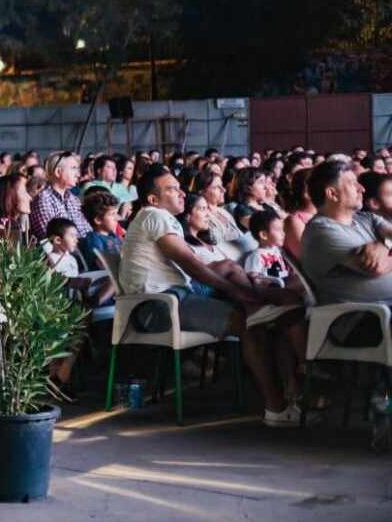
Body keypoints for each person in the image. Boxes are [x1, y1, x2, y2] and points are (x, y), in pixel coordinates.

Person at [120, 167, 307, 426]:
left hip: (175, 296)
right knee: (250, 326)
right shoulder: (155, 216)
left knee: (228, 268)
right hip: (160, 305)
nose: (181, 192)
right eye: (171, 189)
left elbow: (199, 265)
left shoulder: (156, 218)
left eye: (179, 186)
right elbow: (190, 264)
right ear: (153, 199)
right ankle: (277, 408)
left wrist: (241, 285)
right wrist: (237, 291)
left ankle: (259, 307)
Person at [299, 159, 392, 305]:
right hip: (364, 317)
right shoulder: (321, 232)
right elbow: (377, 266)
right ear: (332, 194)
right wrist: (386, 242)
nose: (362, 189)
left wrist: (383, 245)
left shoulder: (366, 218)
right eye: (352, 183)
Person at [30, 152, 92, 240]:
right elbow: (51, 238)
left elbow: (86, 230)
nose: (78, 174)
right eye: (73, 168)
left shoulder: (73, 199)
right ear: (58, 172)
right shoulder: (44, 200)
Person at [78, 191, 122, 271]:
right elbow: (102, 265)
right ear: (98, 220)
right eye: (112, 214)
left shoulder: (113, 236)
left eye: (116, 213)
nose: (117, 218)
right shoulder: (94, 239)